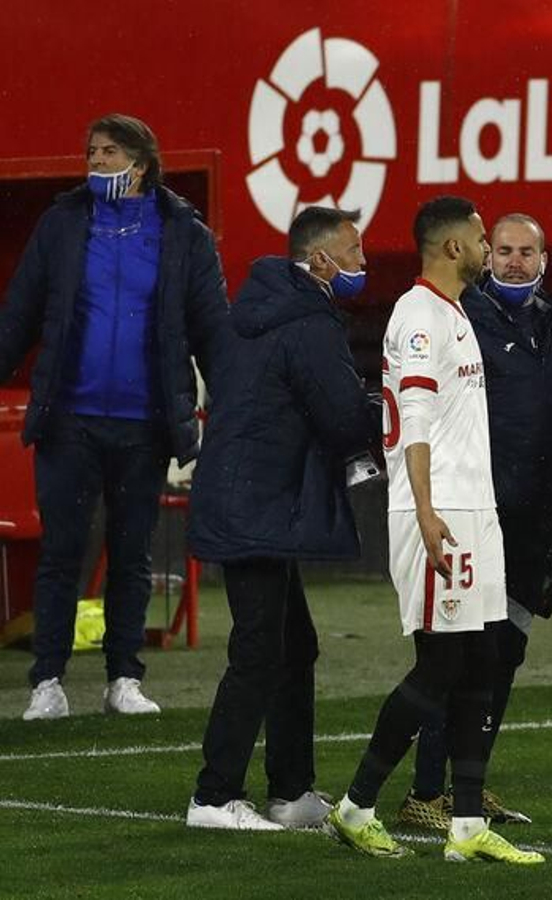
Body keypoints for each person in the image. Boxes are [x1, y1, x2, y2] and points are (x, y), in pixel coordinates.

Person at [323, 197, 540, 865]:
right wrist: (423, 509)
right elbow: (412, 421)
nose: (486, 246)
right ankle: (357, 806)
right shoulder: (419, 316)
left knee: (481, 659)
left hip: (474, 512)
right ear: (453, 248)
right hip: (438, 512)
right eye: (480, 237)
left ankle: (468, 826)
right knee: (440, 663)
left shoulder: (454, 315)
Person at [2, 113, 228, 721]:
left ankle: (123, 678)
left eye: (109, 152)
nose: (96, 161)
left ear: (142, 164)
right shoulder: (63, 223)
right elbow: (19, 312)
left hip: (144, 423)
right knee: (61, 554)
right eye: (92, 151)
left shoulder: (184, 234)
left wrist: (234, 410)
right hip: (69, 418)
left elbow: (213, 331)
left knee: (132, 557)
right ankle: (47, 681)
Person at [185, 207, 378, 831]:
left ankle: (291, 792)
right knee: (261, 648)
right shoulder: (309, 322)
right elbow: (343, 416)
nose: (362, 260)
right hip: (258, 502)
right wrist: (398, 405)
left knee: (294, 645)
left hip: (243, 492)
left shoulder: (257, 310)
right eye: (353, 249)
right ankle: (214, 797)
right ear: (319, 260)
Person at [398, 213, 552, 830]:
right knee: (456, 655)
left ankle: (467, 787)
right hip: (478, 512)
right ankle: (425, 791)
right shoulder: (462, 316)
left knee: (506, 654)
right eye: (502, 250)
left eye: (527, 251)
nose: (513, 262)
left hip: (533, 518)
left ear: (544, 257)